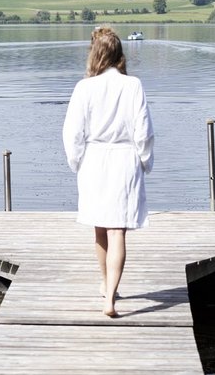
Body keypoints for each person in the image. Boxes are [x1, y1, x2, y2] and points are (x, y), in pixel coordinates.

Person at [62, 26, 154, 318]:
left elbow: (72, 133)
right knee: (118, 231)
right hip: (124, 160)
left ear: (95, 54)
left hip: (94, 160)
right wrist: (144, 161)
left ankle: (104, 284)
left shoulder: (83, 88)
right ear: (119, 54)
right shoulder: (133, 85)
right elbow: (144, 131)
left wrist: (76, 162)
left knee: (100, 228)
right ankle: (110, 297)